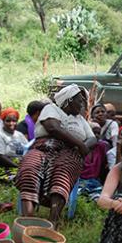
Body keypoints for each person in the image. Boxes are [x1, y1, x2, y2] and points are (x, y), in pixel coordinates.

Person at [16, 84, 96, 225]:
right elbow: (52, 127)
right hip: (44, 146)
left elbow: (92, 138)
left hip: (70, 152)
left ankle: (53, 221)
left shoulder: (80, 120)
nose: (82, 105)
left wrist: (83, 146)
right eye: (79, 101)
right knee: (30, 167)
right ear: (69, 100)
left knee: (63, 172)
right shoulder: (51, 108)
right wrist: (80, 144)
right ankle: (27, 218)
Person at [0, 107, 28, 173]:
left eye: (14, 121)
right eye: (8, 121)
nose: (11, 123)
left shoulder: (19, 135)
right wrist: (17, 167)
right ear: (3, 121)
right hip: (3, 167)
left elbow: (27, 149)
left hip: (20, 165)